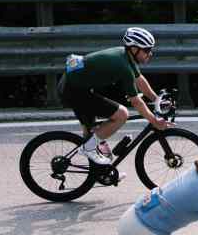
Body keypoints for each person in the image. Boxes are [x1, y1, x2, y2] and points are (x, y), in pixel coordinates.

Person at [58, 27, 170, 165]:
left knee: (93, 135)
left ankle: (97, 173)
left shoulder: (124, 55)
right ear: (134, 49)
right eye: (146, 50)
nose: (150, 54)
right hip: (73, 91)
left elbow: (139, 79)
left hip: (76, 86)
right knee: (121, 114)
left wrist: (156, 99)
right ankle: (89, 149)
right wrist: (154, 121)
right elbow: (136, 102)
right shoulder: (123, 66)